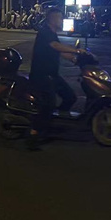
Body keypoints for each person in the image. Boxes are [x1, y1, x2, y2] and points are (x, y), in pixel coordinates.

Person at [27, 8, 83, 150]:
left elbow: (59, 51)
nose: (62, 20)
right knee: (48, 104)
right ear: (52, 19)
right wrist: (76, 50)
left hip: (52, 75)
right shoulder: (45, 32)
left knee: (70, 97)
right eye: (60, 18)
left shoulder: (52, 34)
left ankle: (55, 123)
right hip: (41, 76)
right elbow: (56, 46)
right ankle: (34, 134)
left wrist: (76, 59)